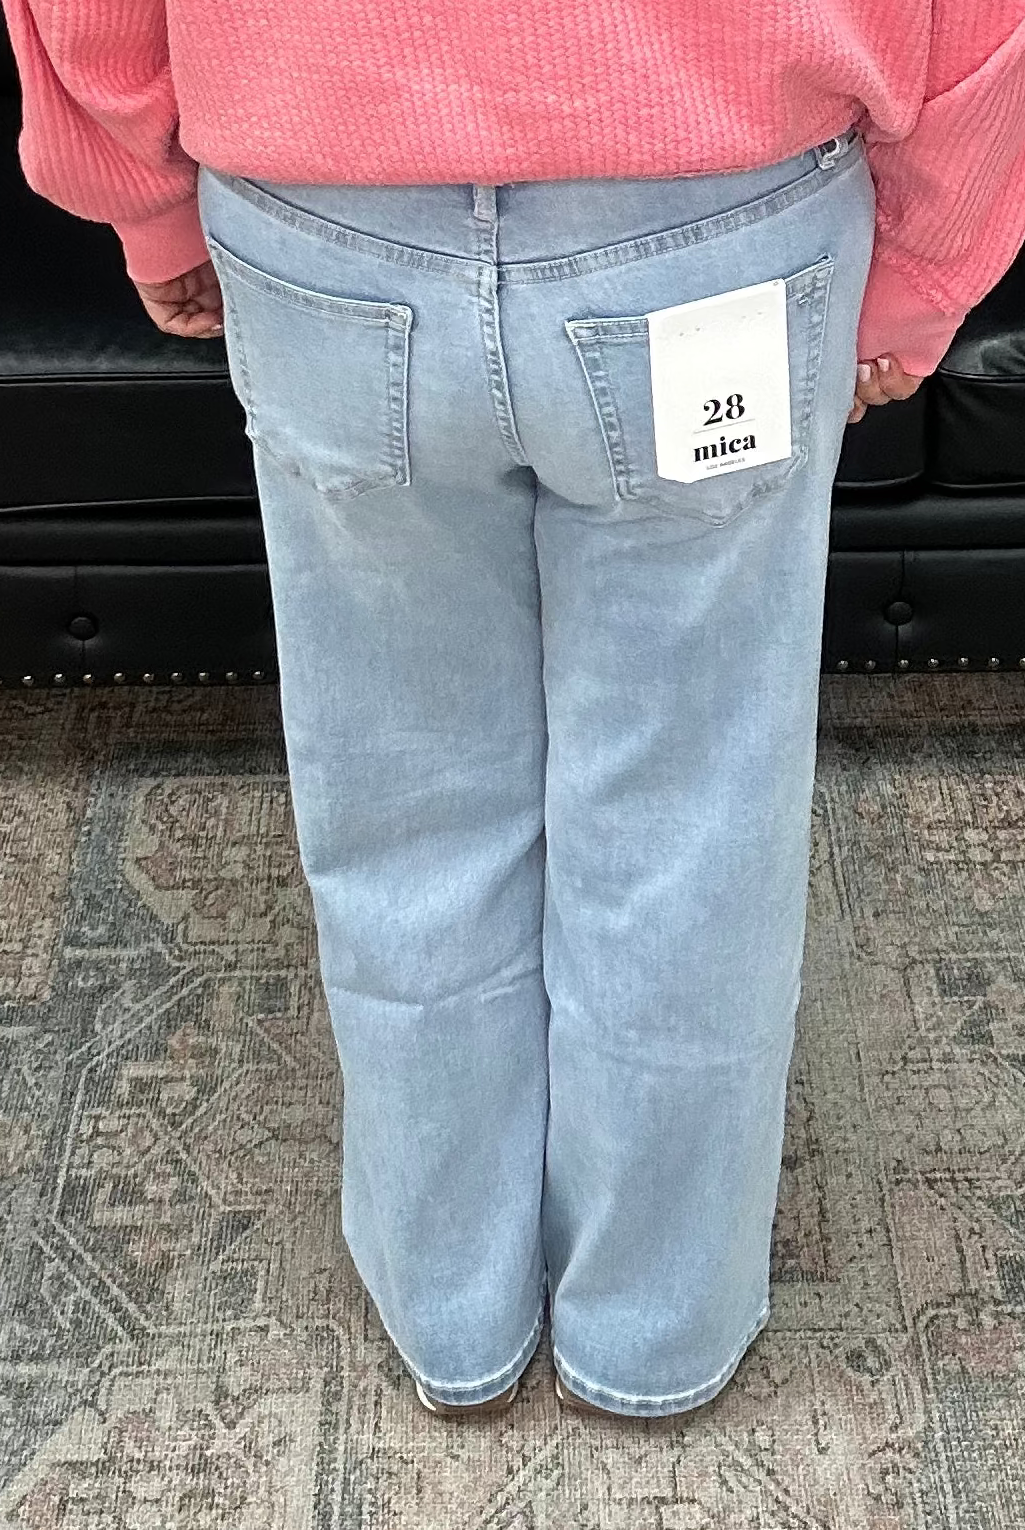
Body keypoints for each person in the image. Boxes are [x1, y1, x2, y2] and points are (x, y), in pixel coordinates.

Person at [5, 0, 1023, 1422]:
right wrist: (930, 256)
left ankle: (453, 1297)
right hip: (721, 212)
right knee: (690, 810)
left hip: (321, 201)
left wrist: (140, 193)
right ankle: (653, 1328)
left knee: (400, 792)